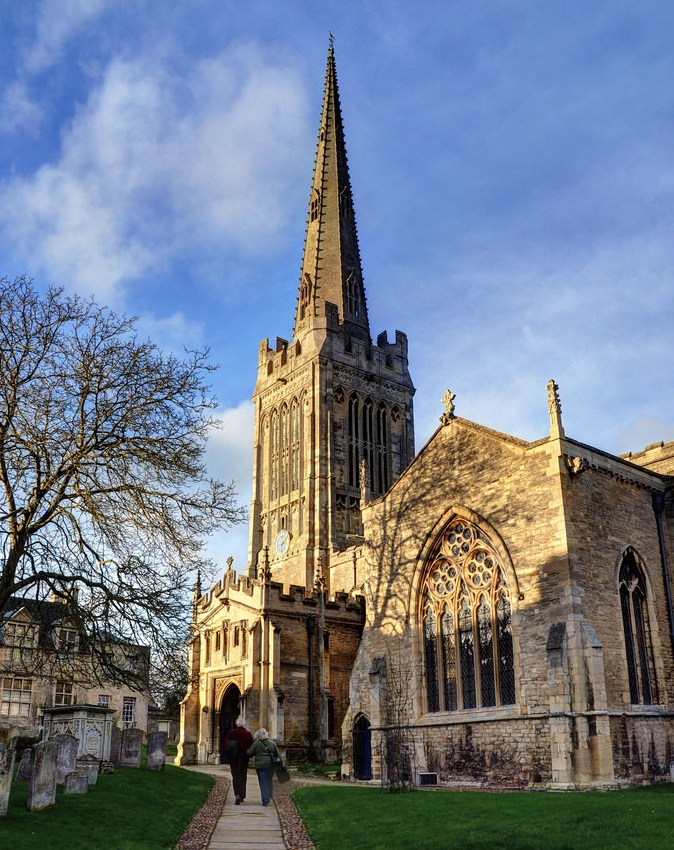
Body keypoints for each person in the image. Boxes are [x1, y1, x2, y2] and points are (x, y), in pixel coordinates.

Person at [246, 727, 282, 806]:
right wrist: (281, 764)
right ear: (266, 734)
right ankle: (268, 796)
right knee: (268, 781)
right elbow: (278, 754)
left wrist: (246, 749)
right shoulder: (272, 743)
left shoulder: (256, 743)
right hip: (270, 765)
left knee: (263, 782)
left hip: (260, 766)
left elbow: (250, 753)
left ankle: (265, 799)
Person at [224, 718, 254, 805]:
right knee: (243, 776)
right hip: (244, 758)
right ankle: (242, 795)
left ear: (237, 724)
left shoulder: (231, 733)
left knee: (235, 776)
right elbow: (251, 746)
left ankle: (237, 794)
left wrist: (229, 755)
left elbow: (226, 745)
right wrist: (249, 754)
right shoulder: (247, 734)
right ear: (244, 725)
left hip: (233, 758)